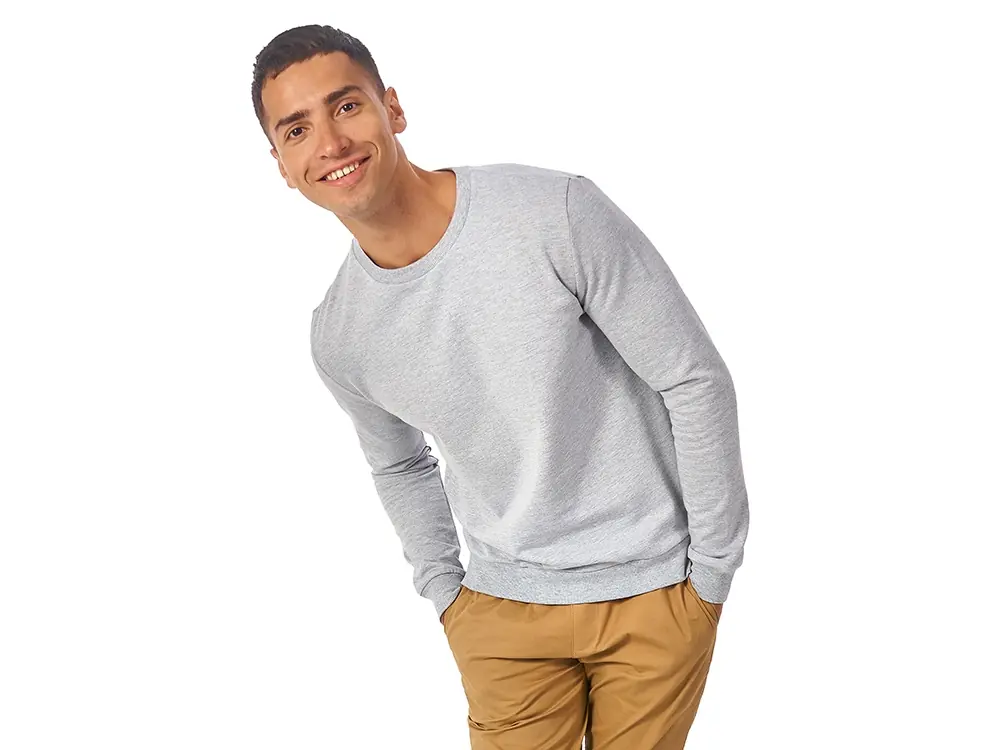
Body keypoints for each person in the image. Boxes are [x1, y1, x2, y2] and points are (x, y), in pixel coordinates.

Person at [251, 24, 750, 750]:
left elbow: (693, 378)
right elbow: (399, 463)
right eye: (297, 129)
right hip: (501, 611)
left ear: (393, 109)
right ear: (282, 164)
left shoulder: (554, 212)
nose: (329, 142)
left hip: (655, 590)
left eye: (346, 106)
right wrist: (447, 595)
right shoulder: (340, 333)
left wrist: (712, 573)